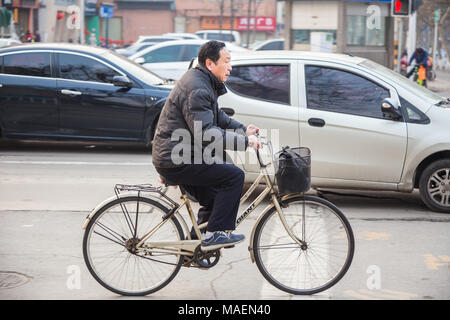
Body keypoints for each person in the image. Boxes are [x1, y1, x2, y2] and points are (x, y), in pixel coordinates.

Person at [152, 40, 261, 252]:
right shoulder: (198, 88)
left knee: (214, 197)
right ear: (210, 64)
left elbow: (217, 117)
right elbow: (208, 133)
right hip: (177, 158)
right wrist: (245, 143)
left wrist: (243, 130)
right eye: (226, 62)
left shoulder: (202, 82)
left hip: (178, 154)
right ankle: (215, 234)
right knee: (234, 176)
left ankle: (193, 248)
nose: (230, 67)